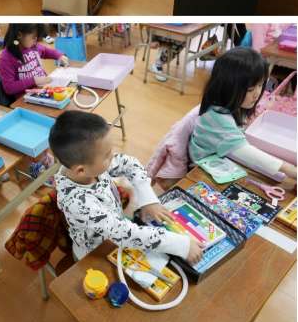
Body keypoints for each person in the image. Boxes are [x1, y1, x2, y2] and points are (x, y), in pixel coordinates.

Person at [50, 110, 204, 262]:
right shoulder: (77, 203)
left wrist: (148, 200)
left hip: (115, 235)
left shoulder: (88, 168)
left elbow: (130, 164)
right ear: (81, 170)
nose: (113, 156)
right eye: (107, 155)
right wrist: (180, 245)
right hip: (94, 254)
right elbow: (124, 233)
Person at [189, 47, 297, 180]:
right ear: (228, 87)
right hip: (203, 170)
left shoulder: (231, 104)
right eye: (250, 89)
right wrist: (290, 170)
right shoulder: (217, 118)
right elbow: (246, 151)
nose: (257, 94)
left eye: (260, 85)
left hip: (224, 157)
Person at [0, 23, 67, 101]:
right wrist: (34, 80)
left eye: (37, 37)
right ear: (19, 35)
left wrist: (59, 56)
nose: (36, 40)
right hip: (26, 99)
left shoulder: (33, 46)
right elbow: (9, 88)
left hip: (45, 89)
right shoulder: (6, 57)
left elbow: (45, 51)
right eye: (33, 37)